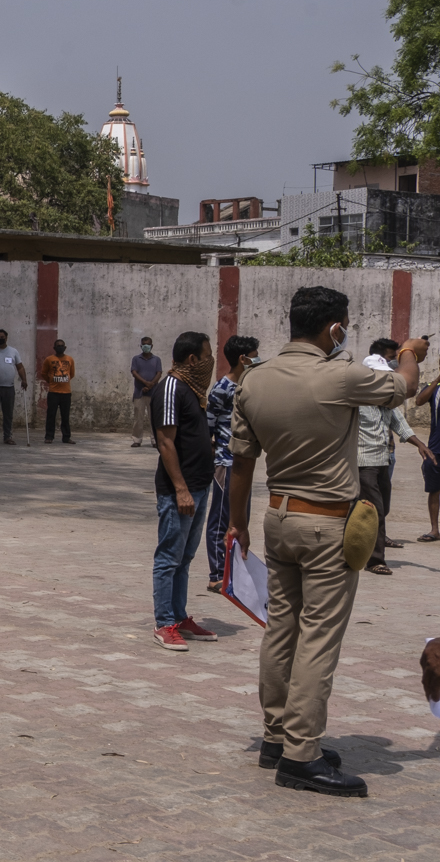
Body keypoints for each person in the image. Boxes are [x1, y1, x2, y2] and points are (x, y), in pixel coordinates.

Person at [227, 285, 427, 798]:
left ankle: (276, 737)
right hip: (326, 525)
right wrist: (408, 352)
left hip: (277, 518)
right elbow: (404, 387)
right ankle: (301, 755)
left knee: (282, 630)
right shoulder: (339, 375)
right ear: (335, 329)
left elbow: (242, 463)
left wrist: (237, 523)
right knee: (318, 637)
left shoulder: (254, 379)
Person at [149, 331, 218, 652]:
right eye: (207, 356)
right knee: (169, 556)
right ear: (193, 359)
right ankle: (164, 623)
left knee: (185, 557)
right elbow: (165, 442)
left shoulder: (192, 389)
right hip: (181, 491)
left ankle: (179, 615)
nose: (210, 362)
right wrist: (181, 489)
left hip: (200, 487)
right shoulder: (170, 388)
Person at [357, 339, 435, 574]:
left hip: (383, 459)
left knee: (381, 507)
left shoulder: (386, 401)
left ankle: (358, 548)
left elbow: (399, 423)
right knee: (374, 510)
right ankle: (375, 561)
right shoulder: (357, 399)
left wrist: (419, 443)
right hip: (363, 462)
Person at [204, 335, 259, 593]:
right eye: (254, 355)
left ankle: (232, 570)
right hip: (225, 463)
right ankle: (217, 573)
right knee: (221, 518)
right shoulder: (221, 389)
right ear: (242, 358)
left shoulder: (248, 388)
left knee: (240, 518)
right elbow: (208, 428)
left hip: (242, 462)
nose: (257, 360)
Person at [416, 370, 440, 543]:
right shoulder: (436, 388)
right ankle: (434, 530)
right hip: (436, 447)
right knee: (434, 489)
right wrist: (437, 380)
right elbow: (419, 400)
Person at [39, 338, 76, 444]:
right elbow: (44, 373)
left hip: (66, 393)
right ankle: (49, 436)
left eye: (62, 345)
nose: (60, 347)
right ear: (54, 348)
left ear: (65, 348)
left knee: (65, 416)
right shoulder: (49, 359)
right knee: (51, 415)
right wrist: (51, 381)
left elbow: (72, 374)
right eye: (58, 345)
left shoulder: (70, 359)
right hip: (53, 392)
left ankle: (66, 437)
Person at [131, 336, 163, 447]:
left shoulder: (156, 359)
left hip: (153, 393)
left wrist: (150, 385)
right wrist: (146, 383)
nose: (146, 346)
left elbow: (159, 373)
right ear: (141, 346)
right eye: (144, 344)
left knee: (153, 418)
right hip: (139, 393)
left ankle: (155, 440)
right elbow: (134, 372)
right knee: (138, 418)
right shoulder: (136, 359)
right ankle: (137, 440)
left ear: (151, 346)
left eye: (148, 344)